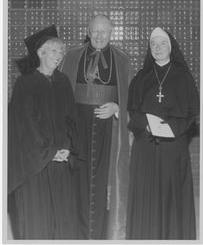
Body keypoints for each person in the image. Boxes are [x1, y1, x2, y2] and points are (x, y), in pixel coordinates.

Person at [59, 14, 132, 239]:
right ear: (88, 32)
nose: (99, 36)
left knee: (103, 180)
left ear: (111, 33)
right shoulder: (71, 56)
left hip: (108, 128)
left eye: (104, 32)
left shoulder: (121, 59)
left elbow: (128, 96)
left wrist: (117, 107)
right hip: (77, 125)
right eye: (95, 31)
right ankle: (75, 233)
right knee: (76, 179)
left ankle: (101, 234)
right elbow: (60, 93)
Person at [126, 27, 199, 239]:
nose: (158, 48)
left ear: (171, 47)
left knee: (170, 192)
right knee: (145, 193)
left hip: (172, 146)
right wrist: (147, 124)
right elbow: (133, 110)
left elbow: (192, 112)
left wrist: (171, 127)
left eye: (162, 44)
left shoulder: (183, 77)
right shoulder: (141, 77)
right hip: (145, 146)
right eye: (153, 45)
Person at [8, 25, 78, 239]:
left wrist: (67, 147)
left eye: (61, 51)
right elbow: (24, 126)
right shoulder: (25, 84)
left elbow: (71, 120)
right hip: (34, 167)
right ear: (40, 53)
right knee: (38, 220)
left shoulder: (63, 81)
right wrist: (49, 152)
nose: (59, 56)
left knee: (63, 219)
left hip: (59, 164)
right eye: (54, 51)